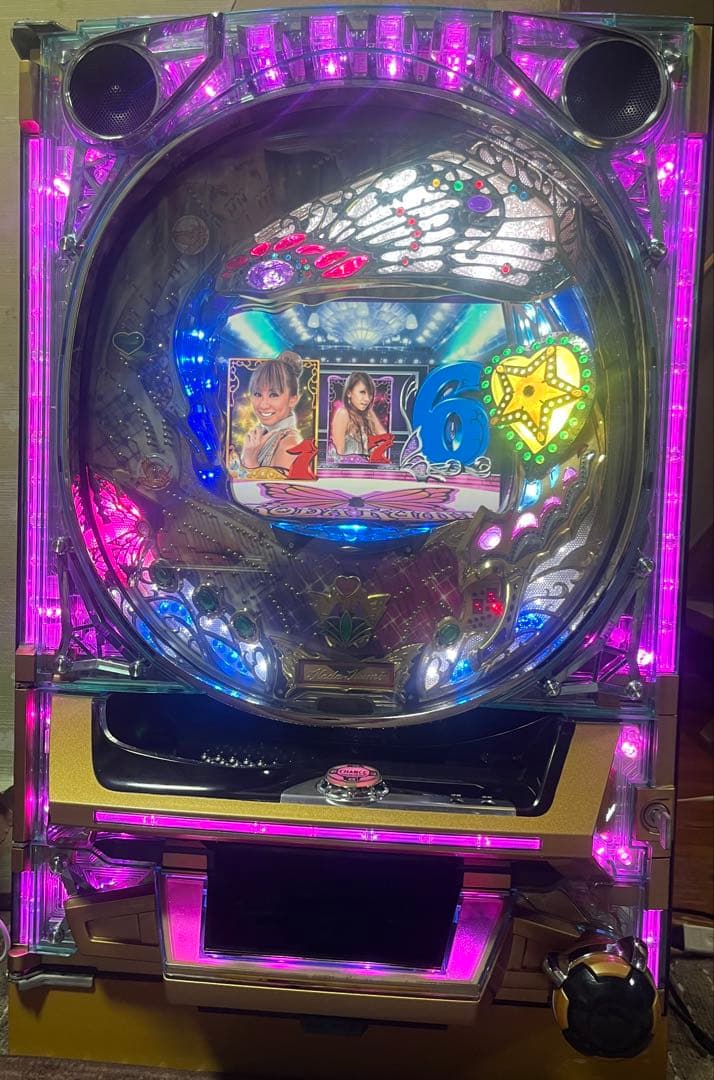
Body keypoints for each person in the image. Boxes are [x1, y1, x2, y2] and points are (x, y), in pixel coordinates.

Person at [240, 351, 303, 474]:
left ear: (292, 399)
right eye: (257, 394)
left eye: (273, 395)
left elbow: (273, 487)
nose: (263, 405)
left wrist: (250, 460)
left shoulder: (290, 446)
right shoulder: (263, 433)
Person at [330, 371, 386, 458]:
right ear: (349, 393)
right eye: (362, 392)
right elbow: (338, 453)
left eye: (370, 394)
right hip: (347, 465)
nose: (367, 399)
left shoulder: (367, 414)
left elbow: (384, 438)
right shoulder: (343, 414)